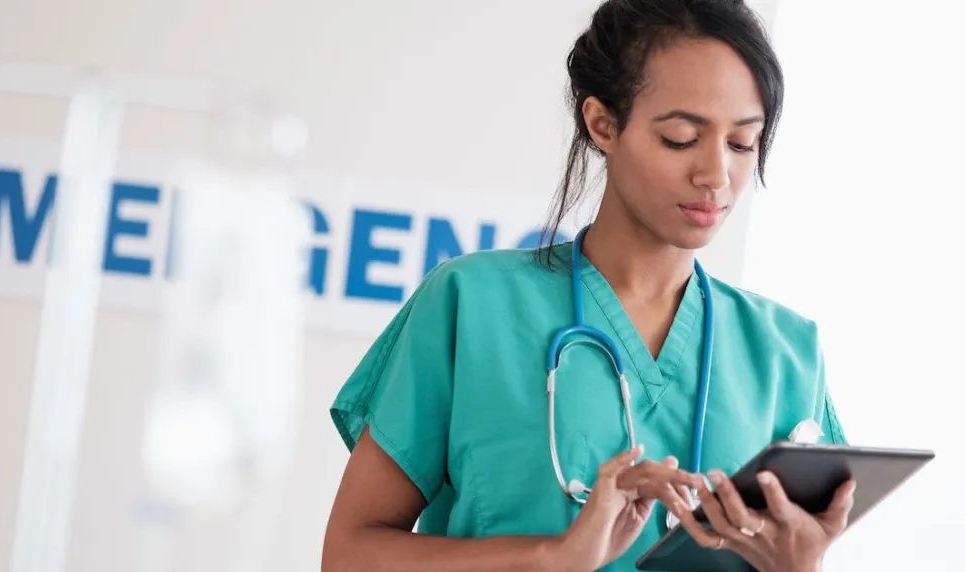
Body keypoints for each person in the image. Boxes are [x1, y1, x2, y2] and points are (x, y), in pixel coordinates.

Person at [321, 0, 855, 570]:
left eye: (743, 143)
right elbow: (349, 553)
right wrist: (554, 557)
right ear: (602, 123)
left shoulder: (786, 353)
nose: (716, 175)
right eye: (680, 137)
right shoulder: (471, 306)